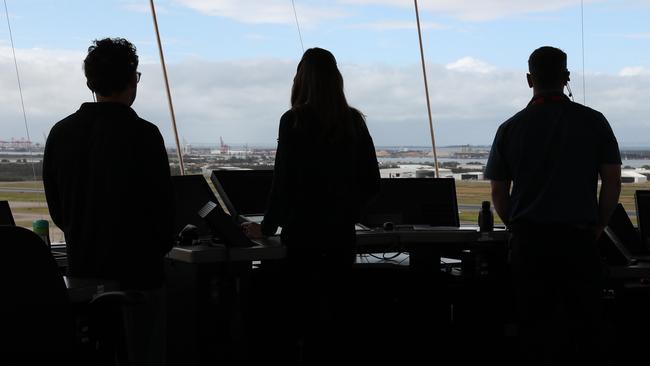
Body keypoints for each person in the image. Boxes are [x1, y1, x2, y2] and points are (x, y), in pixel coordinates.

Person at [242, 47, 380, 365]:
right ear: (336, 81)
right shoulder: (354, 122)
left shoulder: (293, 121)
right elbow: (372, 182)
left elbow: (283, 184)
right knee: (333, 326)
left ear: (300, 81)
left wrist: (266, 228)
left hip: (302, 239)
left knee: (294, 326)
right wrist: (347, 213)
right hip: (341, 239)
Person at [485, 46, 621, 366]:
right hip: (579, 241)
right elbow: (612, 183)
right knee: (585, 330)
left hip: (530, 245)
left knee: (535, 332)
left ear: (529, 79)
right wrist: (598, 226)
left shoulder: (510, 128)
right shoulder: (595, 122)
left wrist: (517, 227)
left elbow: (499, 193)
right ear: (567, 77)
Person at [43, 37, 174, 366]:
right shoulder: (146, 135)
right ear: (132, 80)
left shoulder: (60, 134)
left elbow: (59, 211)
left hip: (84, 276)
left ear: (90, 82)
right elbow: (164, 214)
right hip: (140, 278)